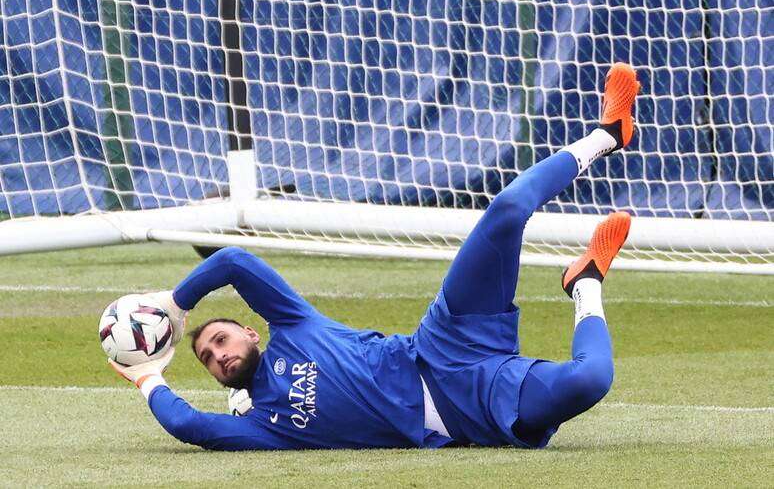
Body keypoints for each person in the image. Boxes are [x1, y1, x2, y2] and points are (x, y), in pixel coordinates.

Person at [109, 63, 640, 450]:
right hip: (473, 409)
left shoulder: (293, 325)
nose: (218, 355)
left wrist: (176, 305)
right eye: (207, 358)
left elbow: (232, 261)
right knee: (590, 381)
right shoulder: (267, 426)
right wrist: (148, 374)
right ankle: (585, 283)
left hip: (444, 342)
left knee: (505, 211)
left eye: (220, 339)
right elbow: (191, 427)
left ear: (251, 332)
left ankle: (606, 136)